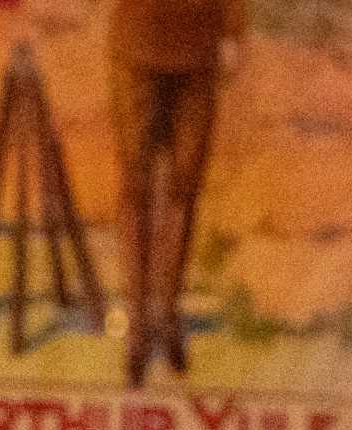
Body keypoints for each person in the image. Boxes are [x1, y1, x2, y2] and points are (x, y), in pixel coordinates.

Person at [107, 0, 239, 388]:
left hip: (199, 46)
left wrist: (232, 26)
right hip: (137, 41)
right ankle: (136, 325)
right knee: (135, 189)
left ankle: (166, 315)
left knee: (184, 189)